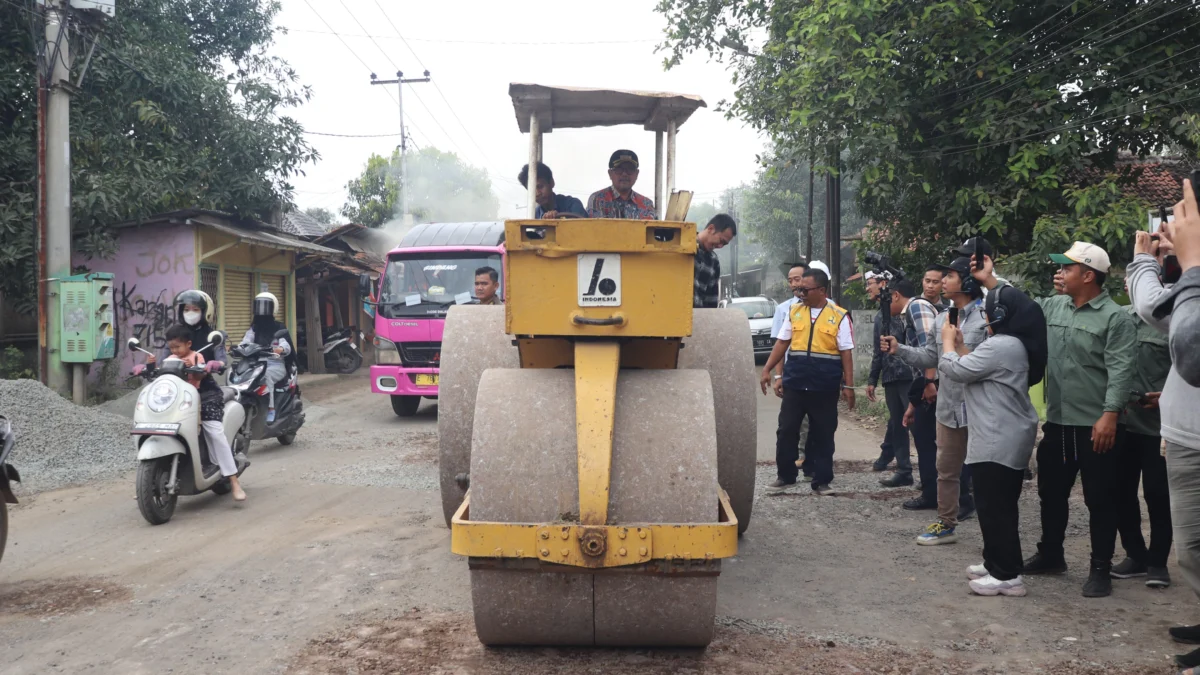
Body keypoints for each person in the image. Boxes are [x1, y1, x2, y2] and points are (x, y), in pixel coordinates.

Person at [973, 243, 1136, 598]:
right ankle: (1051, 554)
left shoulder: (1115, 318)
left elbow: (1121, 370)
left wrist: (1110, 415)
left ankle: (1100, 568)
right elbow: (1020, 306)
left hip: (1097, 425)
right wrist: (990, 279)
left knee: (1100, 498)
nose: (1059, 273)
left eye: (1067, 268)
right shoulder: (1052, 307)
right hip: (1060, 422)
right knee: (1052, 493)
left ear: (1088, 276)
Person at [1132, 179, 1200, 672]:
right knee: (1193, 551)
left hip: (1194, 441)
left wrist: (1145, 262)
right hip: (1186, 432)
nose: (1172, 225)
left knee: (1193, 549)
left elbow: (1178, 335)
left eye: (1181, 213)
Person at [940, 284, 1046, 597]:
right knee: (995, 506)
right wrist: (961, 347)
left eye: (987, 311)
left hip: (997, 437)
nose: (984, 316)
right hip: (1001, 434)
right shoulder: (1009, 344)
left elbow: (957, 371)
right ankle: (995, 562)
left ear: (999, 314)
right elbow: (977, 369)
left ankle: (1007, 575)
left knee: (996, 508)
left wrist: (947, 344)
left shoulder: (1001, 345)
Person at [883, 255, 983, 545]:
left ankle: (994, 531)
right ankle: (946, 523)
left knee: (984, 471)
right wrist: (899, 349)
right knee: (946, 470)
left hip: (980, 408)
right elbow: (930, 356)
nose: (942, 282)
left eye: (949, 277)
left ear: (966, 282)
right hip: (949, 408)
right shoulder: (942, 318)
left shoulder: (987, 318)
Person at [759, 268, 855, 496]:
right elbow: (782, 342)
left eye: (805, 289)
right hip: (795, 383)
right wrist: (768, 369)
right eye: (799, 289)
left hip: (824, 386)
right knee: (786, 430)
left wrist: (849, 386)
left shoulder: (839, 315)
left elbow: (846, 353)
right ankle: (785, 476)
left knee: (823, 433)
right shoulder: (795, 312)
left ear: (821, 290)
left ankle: (821, 480)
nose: (800, 293)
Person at [1109, 286, 1172, 588]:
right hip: (1122, 423)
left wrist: (1168, 396)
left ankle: (1158, 562)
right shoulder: (1119, 317)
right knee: (1120, 492)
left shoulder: (1170, 320)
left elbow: (1189, 370)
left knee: (1158, 495)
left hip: (1158, 428)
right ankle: (1135, 555)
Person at [163, 323, 246, 501]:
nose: (174, 351)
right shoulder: (171, 358)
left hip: (206, 396)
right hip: (180, 400)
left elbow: (201, 375)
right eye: (171, 347)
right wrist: (149, 366)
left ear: (188, 344)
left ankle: (233, 480)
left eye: (177, 347)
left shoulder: (197, 356)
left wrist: (196, 367)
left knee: (214, 432)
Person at [883, 279, 941, 510]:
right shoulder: (911, 312)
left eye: (886, 300)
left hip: (931, 383)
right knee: (925, 438)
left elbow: (931, 350)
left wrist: (929, 382)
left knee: (928, 441)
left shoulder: (916, 307)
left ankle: (935, 495)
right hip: (924, 382)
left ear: (896, 295)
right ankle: (935, 492)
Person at [867, 271, 916, 478]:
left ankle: (932, 475)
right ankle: (903, 469)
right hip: (890, 377)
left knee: (916, 425)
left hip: (909, 376)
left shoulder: (908, 312)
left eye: (870, 283)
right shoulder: (881, 315)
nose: (867, 288)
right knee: (897, 425)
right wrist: (872, 379)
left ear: (884, 284)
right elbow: (879, 350)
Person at [238, 292, 293, 424]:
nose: (262, 313)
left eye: (265, 308)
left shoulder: (279, 328)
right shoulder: (254, 328)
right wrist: (239, 348)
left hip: (275, 365)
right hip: (256, 364)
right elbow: (245, 341)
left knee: (266, 376)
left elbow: (286, 345)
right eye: (259, 308)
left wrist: (280, 349)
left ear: (273, 310)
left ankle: (271, 409)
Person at [586, 150, 656, 220]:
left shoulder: (647, 205)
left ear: (637, 174)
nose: (624, 174)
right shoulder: (597, 199)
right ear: (610, 173)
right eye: (619, 169)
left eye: (630, 169)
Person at [693, 214, 737, 308]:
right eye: (721, 240)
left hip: (697, 316)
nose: (720, 246)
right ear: (711, 229)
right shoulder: (681, 247)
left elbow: (711, 301)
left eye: (724, 244)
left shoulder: (713, 261)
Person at [517, 163, 587, 219]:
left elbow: (585, 228)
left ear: (551, 183)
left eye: (540, 186)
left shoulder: (572, 204)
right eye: (532, 191)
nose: (537, 194)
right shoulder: (535, 215)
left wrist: (558, 219)